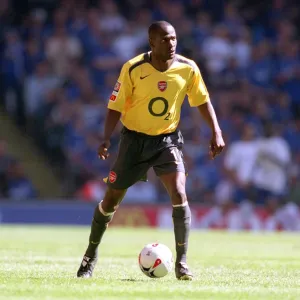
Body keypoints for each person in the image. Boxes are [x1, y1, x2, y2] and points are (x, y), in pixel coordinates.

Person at [77, 21, 225, 280]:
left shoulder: (187, 69)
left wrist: (216, 131)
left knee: (179, 191)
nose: (171, 44)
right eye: (165, 39)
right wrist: (106, 138)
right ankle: (90, 257)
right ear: (152, 43)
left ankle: (182, 263)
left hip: (166, 140)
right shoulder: (133, 68)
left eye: (174, 38)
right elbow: (115, 105)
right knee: (111, 199)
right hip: (133, 142)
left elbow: (202, 100)